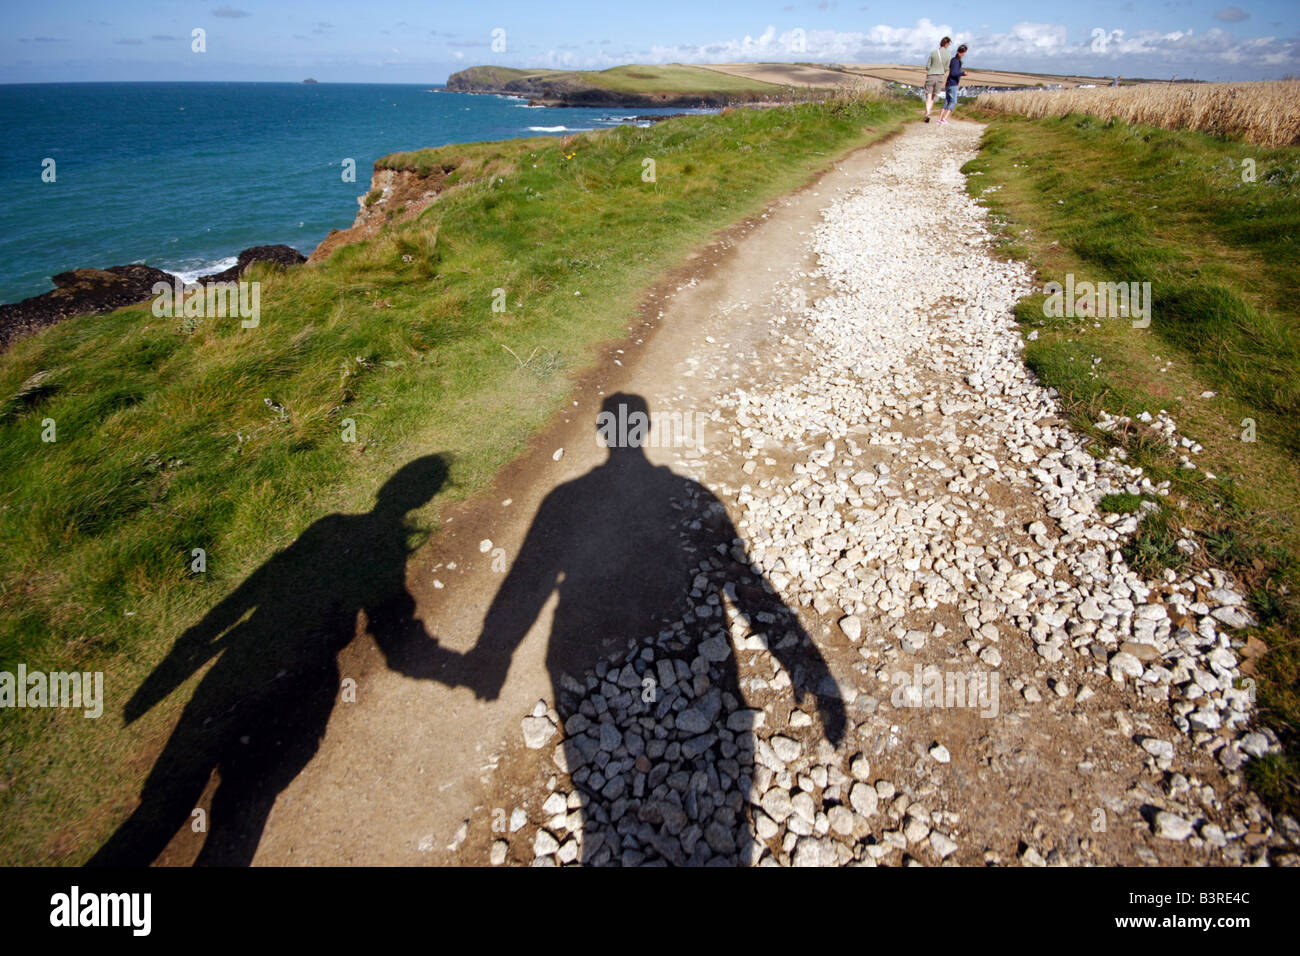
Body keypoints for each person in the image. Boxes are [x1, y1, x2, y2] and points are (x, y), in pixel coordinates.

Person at [923, 37, 952, 122]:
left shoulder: (933, 53)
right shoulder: (948, 54)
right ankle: (927, 113)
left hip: (931, 75)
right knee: (933, 97)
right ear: (947, 44)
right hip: (940, 77)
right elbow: (946, 68)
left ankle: (927, 112)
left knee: (928, 96)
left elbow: (927, 67)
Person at [938, 43, 968, 125]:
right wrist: (962, 73)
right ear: (961, 52)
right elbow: (954, 73)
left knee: (947, 101)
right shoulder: (956, 61)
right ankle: (944, 119)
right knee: (954, 101)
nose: (964, 54)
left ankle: (940, 119)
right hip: (953, 83)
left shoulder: (953, 60)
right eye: (964, 52)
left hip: (948, 83)